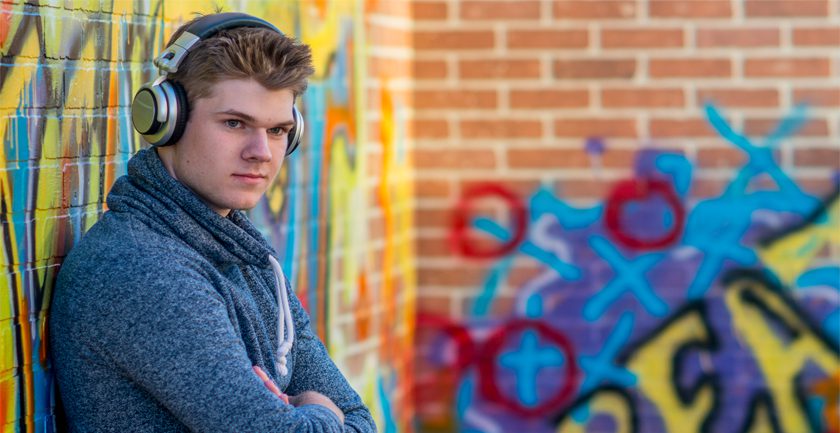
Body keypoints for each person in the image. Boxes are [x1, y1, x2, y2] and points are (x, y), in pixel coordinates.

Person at [49, 12, 377, 433]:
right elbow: (325, 420)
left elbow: (362, 421)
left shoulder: (246, 258)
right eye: (235, 123)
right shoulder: (142, 271)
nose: (261, 152)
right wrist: (319, 410)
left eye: (278, 130)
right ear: (167, 120)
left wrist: (306, 415)